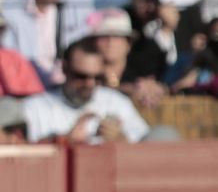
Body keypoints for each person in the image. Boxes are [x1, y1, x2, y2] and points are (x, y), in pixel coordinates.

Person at [0, 0, 95, 86]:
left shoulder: (82, 5)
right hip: (24, 84)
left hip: (70, 85)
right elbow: (9, 57)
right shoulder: (9, 8)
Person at [21, 38, 149, 142]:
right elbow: (24, 152)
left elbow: (145, 144)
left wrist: (121, 140)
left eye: (97, 77)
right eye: (81, 76)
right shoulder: (35, 107)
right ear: (65, 69)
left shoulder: (117, 103)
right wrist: (63, 141)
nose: (90, 83)